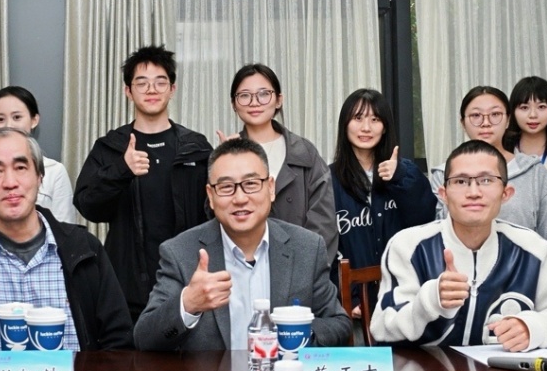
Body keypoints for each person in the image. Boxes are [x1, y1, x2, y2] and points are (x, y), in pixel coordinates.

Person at [373, 141, 547, 350]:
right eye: (461, 181)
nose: (474, 192)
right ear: (443, 194)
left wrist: (535, 328)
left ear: (506, 193)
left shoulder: (534, 249)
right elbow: (381, 327)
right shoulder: (408, 246)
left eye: (486, 180)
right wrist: (429, 301)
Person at [0, 128, 133, 353]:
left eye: (21, 168)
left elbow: (118, 342)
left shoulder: (84, 249)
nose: (10, 182)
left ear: (40, 177)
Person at [134, 138, 350, 351]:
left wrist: (299, 334)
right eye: (226, 187)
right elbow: (144, 338)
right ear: (211, 196)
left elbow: (338, 323)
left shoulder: (307, 247)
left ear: (271, 188)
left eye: (251, 184)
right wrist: (188, 304)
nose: (239, 198)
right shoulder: (181, 252)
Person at [75, 45, 212, 321]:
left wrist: (234, 166)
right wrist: (122, 169)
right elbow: (87, 205)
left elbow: (214, 211)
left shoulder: (196, 148)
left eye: (160, 82)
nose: (151, 89)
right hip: (127, 286)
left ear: (172, 89)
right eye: (142, 83)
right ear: (128, 91)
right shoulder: (111, 147)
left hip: (187, 283)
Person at [331, 88, 435, 313]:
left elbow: (425, 221)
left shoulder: (405, 173)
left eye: (375, 119)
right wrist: (348, 297)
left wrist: (401, 177)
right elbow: (327, 247)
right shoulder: (328, 179)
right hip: (352, 303)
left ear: (385, 126)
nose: (366, 128)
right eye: (358, 118)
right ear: (345, 124)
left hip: (404, 299)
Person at [226, 63, 337, 262]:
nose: (254, 102)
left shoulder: (304, 152)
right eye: (244, 95)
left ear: (279, 100)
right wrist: (226, 162)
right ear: (234, 104)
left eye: (263, 94)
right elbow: (215, 214)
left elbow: (323, 221)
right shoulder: (226, 154)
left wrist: (305, 268)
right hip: (242, 264)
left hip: (299, 264)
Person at [430, 86, 547, 243]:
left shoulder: (534, 171)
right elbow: (441, 233)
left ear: (508, 120)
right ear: (463, 123)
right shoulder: (443, 174)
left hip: (524, 258)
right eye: (476, 115)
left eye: (495, 114)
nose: (486, 123)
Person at [0, 85, 77, 223]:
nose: (8, 125)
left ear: (34, 120)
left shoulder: (55, 171)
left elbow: (65, 224)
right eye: (0, 119)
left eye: (17, 117)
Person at [504, 76, 547, 173]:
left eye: (541, 107)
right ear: (512, 112)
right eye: (524, 107)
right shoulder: (502, 158)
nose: (533, 115)